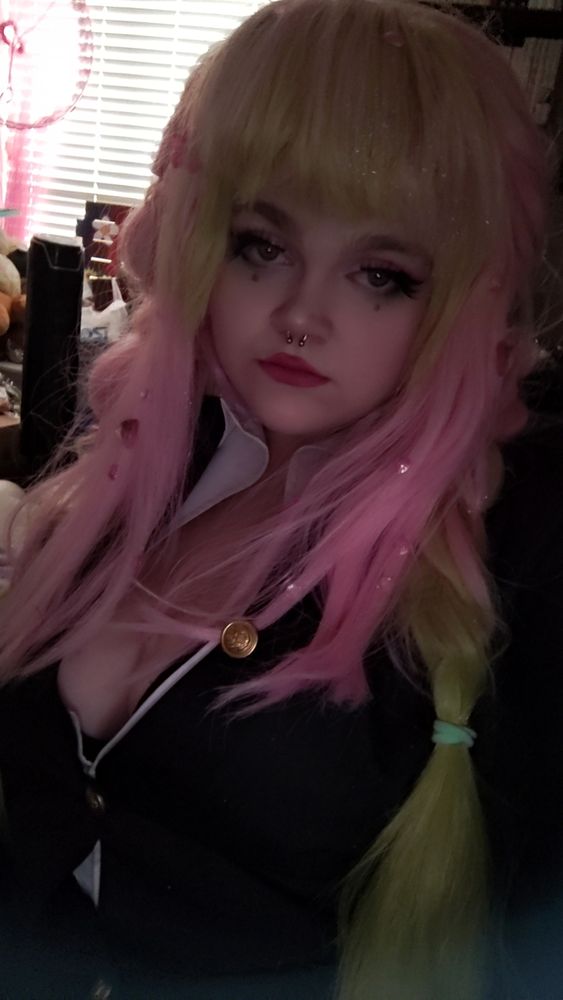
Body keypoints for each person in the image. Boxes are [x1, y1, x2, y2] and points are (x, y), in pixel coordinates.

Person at [0, 0, 562, 996]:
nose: (301, 314)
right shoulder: (156, 444)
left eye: (380, 274)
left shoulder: (512, 546)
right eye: (261, 244)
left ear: (463, 293)